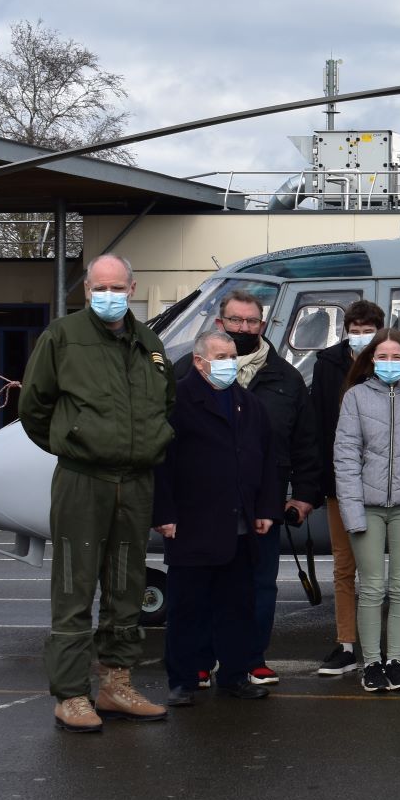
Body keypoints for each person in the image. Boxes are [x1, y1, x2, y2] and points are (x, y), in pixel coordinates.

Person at [21, 253, 174, 733]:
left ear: (133, 287)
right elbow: (34, 406)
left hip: (135, 482)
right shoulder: (62, 336)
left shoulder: (148, 343)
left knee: (127, 585)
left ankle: (116, 684)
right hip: (83, 480)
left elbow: (164, 404)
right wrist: (75, 442)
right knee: (74, 583)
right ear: (86, 289)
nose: (108, 296)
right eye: (98, 287)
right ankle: (70, 695)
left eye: (117, 287)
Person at [155, 332, 280, 706]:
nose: (228, 361)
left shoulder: (248, 403)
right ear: (199, 361)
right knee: (188, 609)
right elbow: (160, 463)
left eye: (231, 355)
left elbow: (267, 459)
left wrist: (266, 510)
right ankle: (182, 680)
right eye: (220, 356)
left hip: (240, 527)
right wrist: (164, 514)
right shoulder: (177, 401)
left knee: (237, 608)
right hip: (192, 525)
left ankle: (235, 675)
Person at [213, 289, 321, 687]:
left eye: (251, 322)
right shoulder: (192, 372)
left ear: (262, 324)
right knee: (210, 580)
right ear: (219, 322)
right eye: (236, 321)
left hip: (264, 500)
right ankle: (203, 659)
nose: (243, 328)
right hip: (208, 502)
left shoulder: (286, 378)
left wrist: (305, 494)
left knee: (260, 584)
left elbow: (306, 442)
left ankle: (252, 657)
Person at [334, 330, 400, 693]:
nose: (391, 363)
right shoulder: (356, 397)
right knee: (372, 588)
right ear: (371, 359)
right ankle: (371, 664)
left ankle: (395, 661)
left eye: (398, 356)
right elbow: (345, 458)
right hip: (365, 503)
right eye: (383, 356)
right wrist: (352, 512)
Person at [310, 299, 385, 677]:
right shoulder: (327, 365)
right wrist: (322, 482)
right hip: (341, 483)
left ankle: (381, 644)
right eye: (354, 331)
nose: (360, 337)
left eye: (367, 331)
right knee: (344, 566)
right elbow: (319, 424)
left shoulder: (391, 362)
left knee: (381, 570)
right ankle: (345, 643)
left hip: (385, 486)